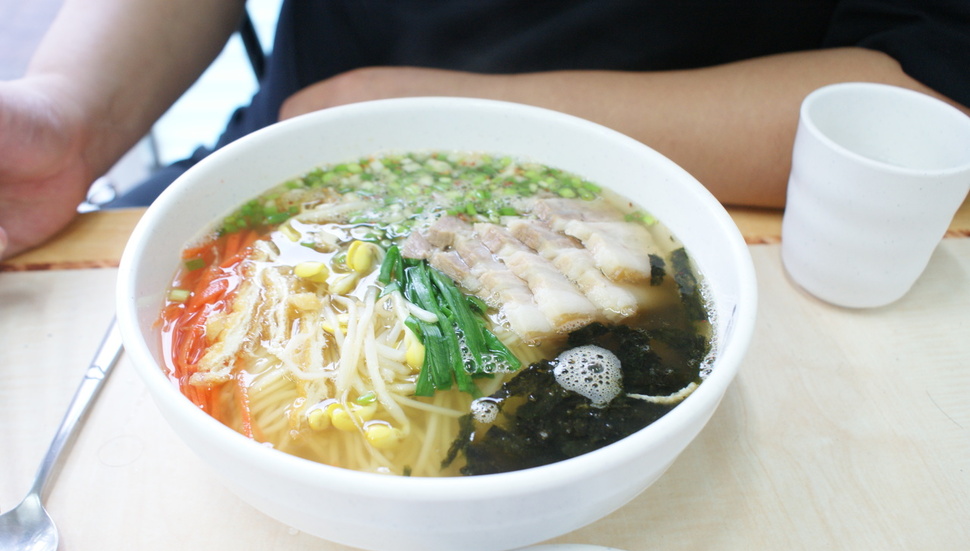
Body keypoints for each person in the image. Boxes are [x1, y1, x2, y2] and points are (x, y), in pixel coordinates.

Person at [1, 0, 968, 260]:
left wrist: (433, 118)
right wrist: (67, 116)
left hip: (714, 214)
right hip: (290, 164)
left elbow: (923, 102)